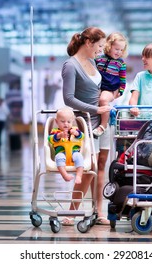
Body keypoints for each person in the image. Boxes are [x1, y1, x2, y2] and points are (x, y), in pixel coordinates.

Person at [62, 26, 111, 225]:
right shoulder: (70, 66)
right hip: (87, 123)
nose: (100, 50)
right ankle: (72, 212)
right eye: (98, 46)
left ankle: (99, 212)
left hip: (103, 122)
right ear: (88, 43)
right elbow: (68, 99)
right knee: (89, 168)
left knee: (100, 168)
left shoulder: (92, 62)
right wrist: (95, 110)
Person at [93, 32, 128, 138]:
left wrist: (121, 91)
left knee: (103, 100)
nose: (119, 52)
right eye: (116, 49)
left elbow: (123, 79)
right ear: (109, 46)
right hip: (99, 85)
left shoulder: (120, 63)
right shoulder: (98, 58)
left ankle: (102, 126)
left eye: (121, 50)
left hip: (111, 88)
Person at [48, 107, 84, 184]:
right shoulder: (55, 131)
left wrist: (77, 134)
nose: (66, 124)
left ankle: (79, 176)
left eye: (68, 121)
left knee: (79, 157)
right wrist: (59, 135)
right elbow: (50, 139)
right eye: (62, 121)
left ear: (72, 122)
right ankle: (65, 175)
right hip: (61, 153)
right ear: (56, 122)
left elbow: (82, 137)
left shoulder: (75, 130)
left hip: (74, 152)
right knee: (59, 158)